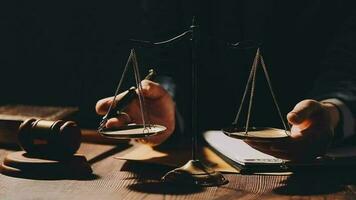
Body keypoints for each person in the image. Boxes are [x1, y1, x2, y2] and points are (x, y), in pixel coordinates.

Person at [96, 1, 356, 161]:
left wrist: (333, 112)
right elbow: (169, 61)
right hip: (207, 156)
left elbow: (348, 60)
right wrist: (167, 108)